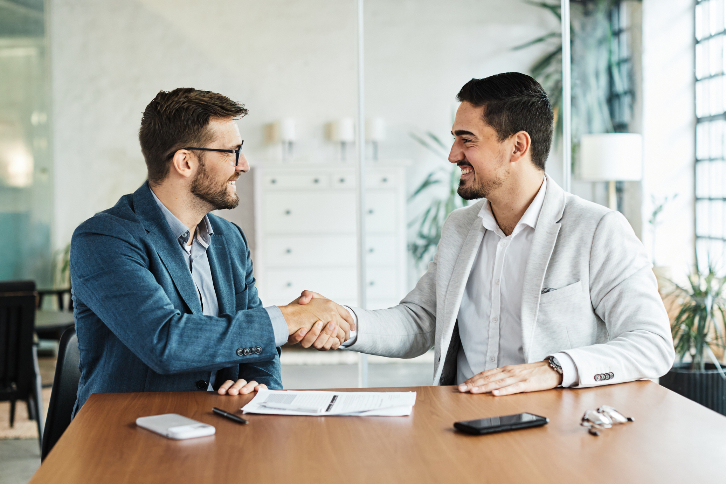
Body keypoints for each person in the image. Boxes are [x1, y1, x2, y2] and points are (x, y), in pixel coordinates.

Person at [300, 72, 675, 395]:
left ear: (517, 146)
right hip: (461, 423)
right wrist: (344, 320)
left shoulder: (597, 229)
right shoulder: (460, 227)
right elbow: (420, 320)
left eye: (467, 140)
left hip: (553, 433)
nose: (452, 155)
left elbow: (652, 345)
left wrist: (553, 369)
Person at [70, 88, 351, 413]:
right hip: (124, 437)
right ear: (185, 161)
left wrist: (259, 388)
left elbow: (261, 350)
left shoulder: (230, 239)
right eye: (232, 151)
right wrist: (289, 318)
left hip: (217, 426)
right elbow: (166, 342)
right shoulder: (105, 238)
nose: (243, 165)